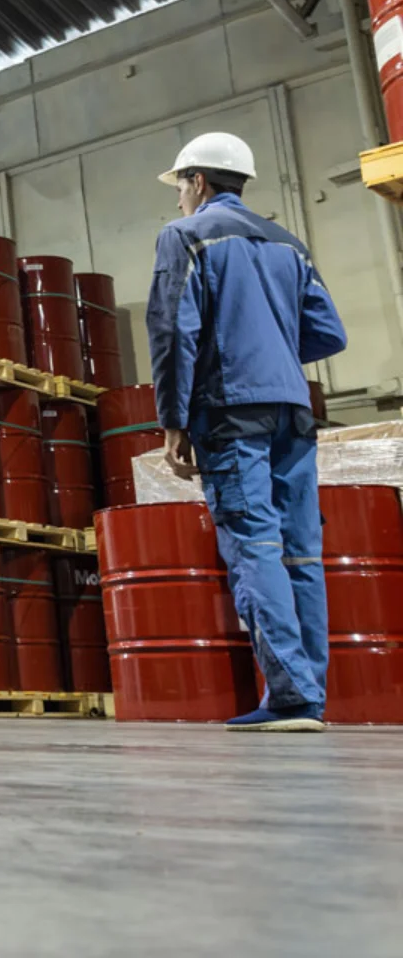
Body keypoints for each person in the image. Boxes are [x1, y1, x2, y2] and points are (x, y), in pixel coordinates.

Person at [146, 132, 347, 732]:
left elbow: (172, 332)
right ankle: (309, 695)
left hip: (230, 411)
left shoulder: (185, 236)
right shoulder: (289, 244)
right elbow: (329, 333)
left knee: (254, 545)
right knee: (300, 551)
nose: (178, 199)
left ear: (198, 181)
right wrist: (273, 349)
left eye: (180, 186)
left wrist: (172, 420)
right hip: (293, 409)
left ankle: (289, 698)